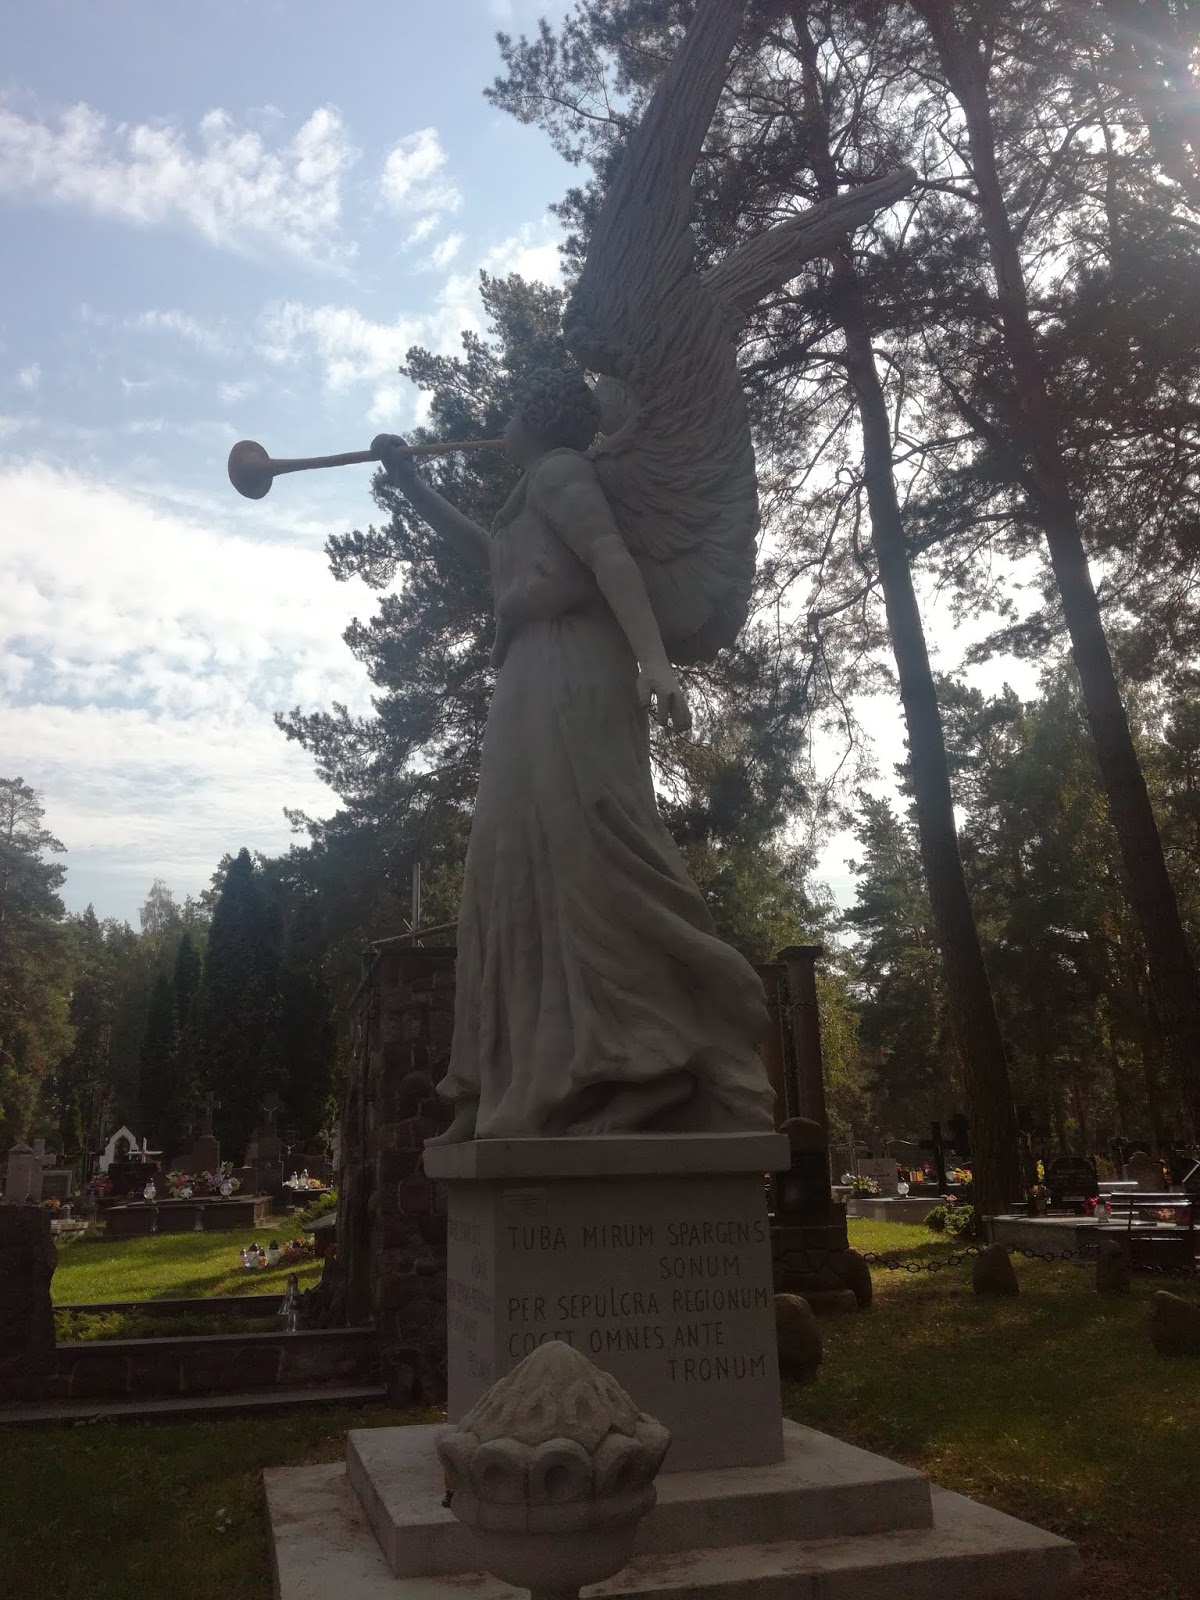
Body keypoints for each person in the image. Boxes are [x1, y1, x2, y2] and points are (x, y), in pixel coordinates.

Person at [372, 369, 775, 1144]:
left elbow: (611, 557)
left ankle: (647, 1066)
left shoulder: (562, 471)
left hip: (572, 673)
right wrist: (413, 486)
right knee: (508, 867)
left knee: (588, 860)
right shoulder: (531, 493)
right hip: (530, 677)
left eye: (513, 409)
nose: (503, 420)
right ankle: (512, 1082)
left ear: (537, 418)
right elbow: (487, 554)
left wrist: (657, 664)